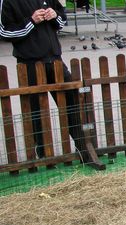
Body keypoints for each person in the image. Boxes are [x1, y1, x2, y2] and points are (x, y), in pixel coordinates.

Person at [0, 0, 90, 162]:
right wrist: (31, 21)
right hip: (29, 62)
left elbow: (62, 19)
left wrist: (55, 16)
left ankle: (83, 148)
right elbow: (4, 32)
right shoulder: (8, 2)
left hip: (55, 59)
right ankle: (44, 154)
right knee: (36, 111)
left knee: (72, 102)